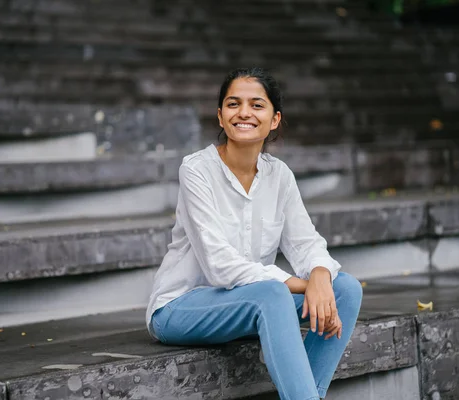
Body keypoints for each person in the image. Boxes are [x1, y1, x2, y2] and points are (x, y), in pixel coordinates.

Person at [146, 67, 362, 400]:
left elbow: (306, 243)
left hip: (250, 304)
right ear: (220, 116)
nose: (244, 113)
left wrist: (319, 273)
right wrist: (308, 286)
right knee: (272, 293)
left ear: (275, 119)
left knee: (345, 289)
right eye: (233, 104)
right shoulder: (196, 170)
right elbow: (220, 266)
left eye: (257, 105)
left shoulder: (280, 176)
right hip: (180, 307)